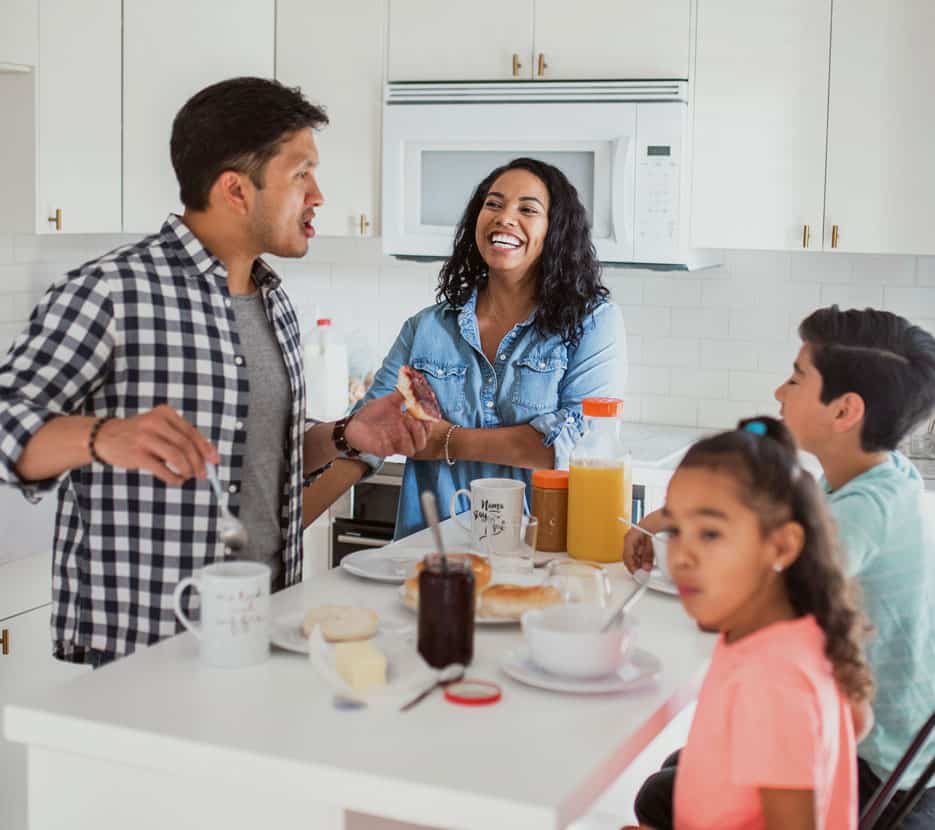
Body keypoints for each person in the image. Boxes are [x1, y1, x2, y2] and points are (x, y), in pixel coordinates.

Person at [0, 77, 428, 667]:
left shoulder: (272, 302)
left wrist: (346, 435)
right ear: (236, 190)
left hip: (262, 634)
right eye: (301, 173)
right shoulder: (111, 293)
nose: (319, 195)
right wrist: (103, 437)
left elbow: (254, 458)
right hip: (143, 652)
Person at [625, 307, 935, 829]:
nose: (779, 392)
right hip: (877, 732)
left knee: (662, 796)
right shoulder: (878, 475)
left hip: (886, 770)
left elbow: (764, 580)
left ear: (845, 411)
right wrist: (660, 520)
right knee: (679, 772)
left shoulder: (863, 513)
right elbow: (785, 514)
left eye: (796, 377)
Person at [304, 157, 626, 538]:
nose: (505, 217)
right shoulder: (426, 329)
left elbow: (579, 445)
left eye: (527, 209)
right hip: (431, 558)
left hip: (542, 557)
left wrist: (445, 440)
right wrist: (278, 540)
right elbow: (369, 437)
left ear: (555, 230)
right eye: (494, 204)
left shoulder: (591, 322)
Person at [628, 416, 873, 830]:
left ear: (781, 545)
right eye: (675, 529)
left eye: (709, 534)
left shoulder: (772, 678)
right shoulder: (794, 631)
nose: (681, 556)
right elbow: (856, 723)